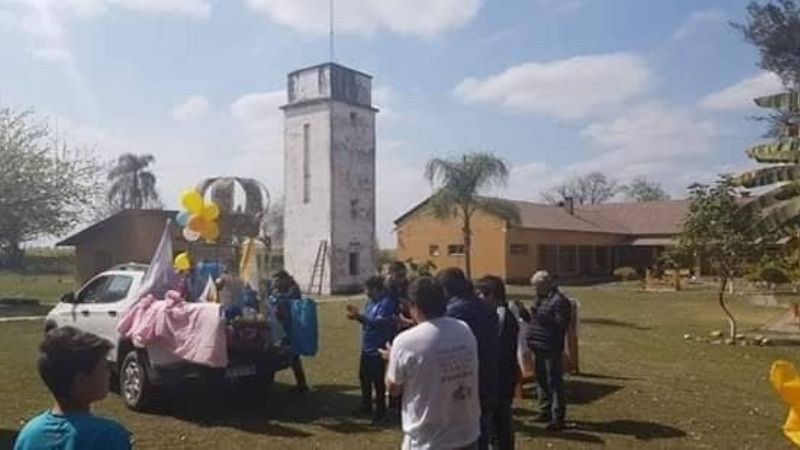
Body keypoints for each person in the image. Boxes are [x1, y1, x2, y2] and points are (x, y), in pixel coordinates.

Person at [383, 276, 481, 450]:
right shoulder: (464, 329)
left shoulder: (405, 342)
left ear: (413, 306)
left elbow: (394, 389)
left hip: (428, 440)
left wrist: (392, 359)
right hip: (467, 434)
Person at [15, 327, 132, 450]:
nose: (109, 373)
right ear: (81, 381)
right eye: (104, 367)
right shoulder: (109, 436)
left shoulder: (29, 434)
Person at [437, 267, 499, 450]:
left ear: (446, 290)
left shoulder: (454, 312)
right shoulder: (487, 308)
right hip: (489, 377)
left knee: (463, 437)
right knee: (482, 433)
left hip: (464, 382)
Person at [476, 275, 519, 450]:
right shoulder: (500, 313)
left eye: (480, 294)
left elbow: (495, 347)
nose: (478, 299)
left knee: (500, 422)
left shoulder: (500, 315)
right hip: (500, 376)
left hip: (501, 377)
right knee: (498, 422)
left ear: (491, 295)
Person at [526, 270, 572, 431]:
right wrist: (527, 314)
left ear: (547, 284)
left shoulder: (560, 301)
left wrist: (539, 317)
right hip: (537, 345)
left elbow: (560, 325)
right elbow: (535, 319)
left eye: (538, 287)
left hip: (550, 346)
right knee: (541, 379)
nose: (535, 290)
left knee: (554, 381)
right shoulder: (541, 298)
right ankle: (544, 411)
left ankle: (558, 417)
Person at [346, 276, 396, 423]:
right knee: (364, 377)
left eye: (367, 289)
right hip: (366, 347)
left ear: (375, 289)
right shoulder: (369, 302)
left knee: (377, 381)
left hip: (378, 348)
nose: (365, 291)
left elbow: (378, 323)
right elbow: (366, 319)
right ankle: (366, 405)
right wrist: (357, 315)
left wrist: (359, 317)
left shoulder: (386, 303)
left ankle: (380, 411)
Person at [269, 270, 309, 394]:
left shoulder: (293, 288)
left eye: (277, 280)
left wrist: (276, 296)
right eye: (274, 281)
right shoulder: (278, 288)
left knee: (293, 355)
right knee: (276, 352)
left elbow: (289, 299)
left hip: (291, 325)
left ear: (284, 278)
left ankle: (302, 384)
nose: (274, 283)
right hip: (280, 325)